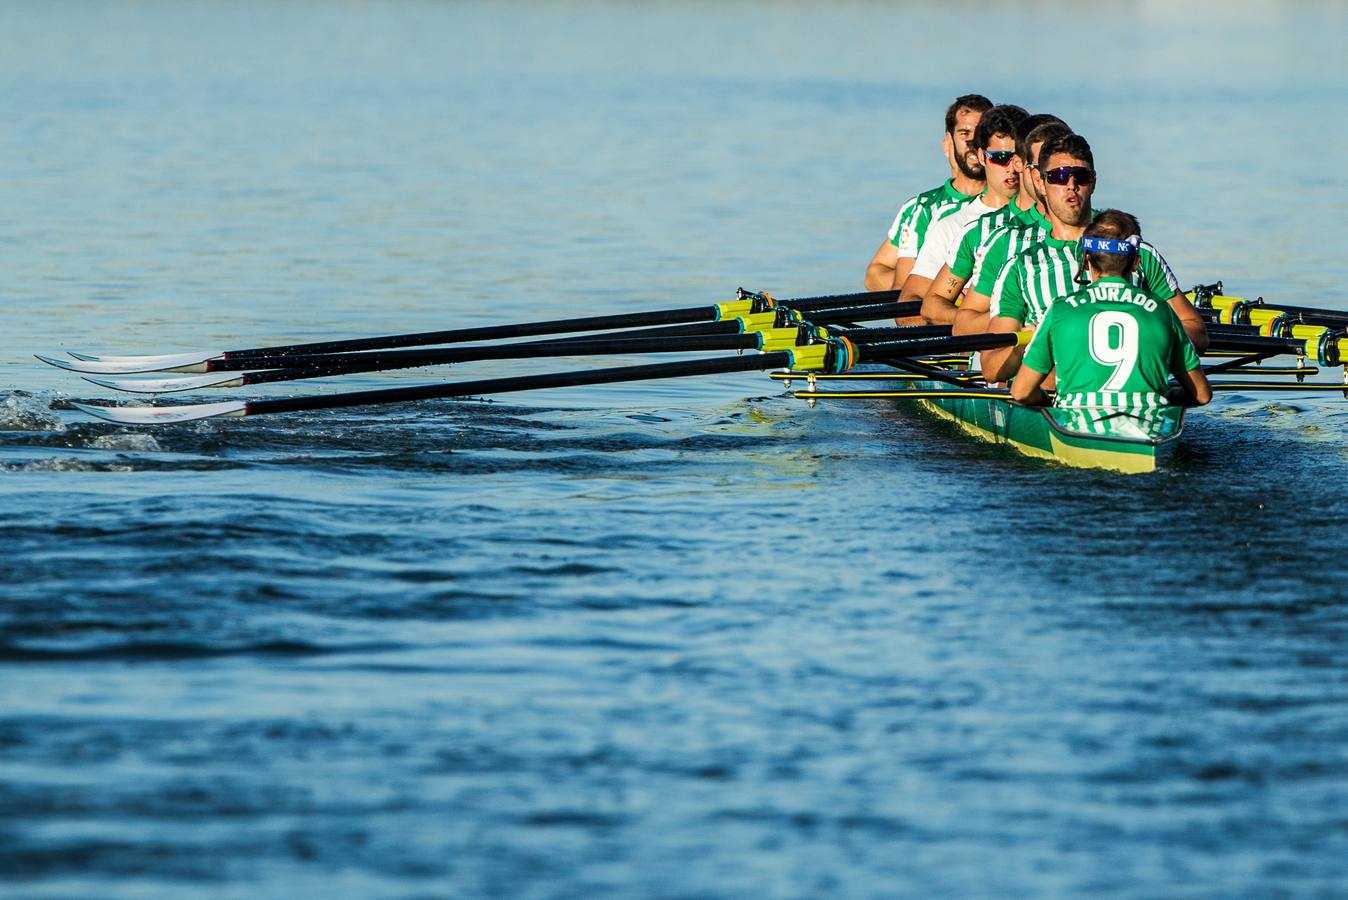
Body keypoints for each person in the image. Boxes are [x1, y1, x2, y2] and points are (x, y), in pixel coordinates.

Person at [977, 132, 1208, 384]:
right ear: (1039, 182)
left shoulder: (1138, 253)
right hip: (1052, 403)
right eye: (1059, 176)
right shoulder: (1021, 268)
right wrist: (1030, 343)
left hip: (1131, 392)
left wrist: (1149, 337)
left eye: (1082, 177)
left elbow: (1195, 329)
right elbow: (990, 369)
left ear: (1094, 182)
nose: (1071, 185)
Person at [1011, 209, 1212, 410]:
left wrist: (1045, 401)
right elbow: (1202, 395)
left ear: (1087, 261)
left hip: (1075, 425)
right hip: (1148, 425)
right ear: (1136, 263)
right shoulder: (1162, 311)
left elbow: (1021, 392)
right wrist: (1168, 396)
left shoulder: (1059, 310)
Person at [916, 113, 1064, 324]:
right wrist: (999, 319)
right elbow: (930, 306)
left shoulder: (1099, 230)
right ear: (1021, 164)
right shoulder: (984, 231)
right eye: (1000, 158)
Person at [899, 104, 1029, 305]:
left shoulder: (1055, 222)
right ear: (981, 157)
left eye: (1018, 158)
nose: (1012, 168)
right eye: (1000, 158)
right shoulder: (953, 226)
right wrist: (966, 318)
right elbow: (908, 304)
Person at [863, 94, 992, 291]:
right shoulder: (922, 207)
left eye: (979, 134)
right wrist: (937, 287)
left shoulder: (1012, 203)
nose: (973, 142)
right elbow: (876, 273)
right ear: (948, 142)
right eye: (965, 133)